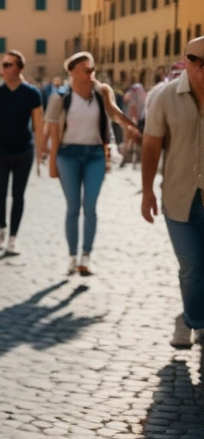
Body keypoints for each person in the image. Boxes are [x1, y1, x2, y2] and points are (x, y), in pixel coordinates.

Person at [46, 52, 140, 276]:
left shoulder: (102, 92)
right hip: (67, 155)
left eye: (92, 70)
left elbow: (114, 113)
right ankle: (71, 256)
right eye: (86, 70)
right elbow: (52, 131)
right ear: (72, 72)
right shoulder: (60, 97)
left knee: (90, 208)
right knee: (72, 208)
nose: (91, 74)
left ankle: (85, 257)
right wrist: (51, 162)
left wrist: (131, 125)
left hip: (95, 155)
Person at [141, 36, 204, 348]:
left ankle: (194, 318)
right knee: (192, 265)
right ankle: (192, 319)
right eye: (196, 61)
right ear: (186, 60)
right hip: (179, 197)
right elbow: (151, 145)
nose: (202, 68)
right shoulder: (165, 97)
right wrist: (146, 191)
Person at [0, 50, 44, 255]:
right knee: (0, 193)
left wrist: (41, 152)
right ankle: (2, 230)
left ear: (20, 68)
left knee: (18, 195)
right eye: (3, 65)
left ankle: (13, 237)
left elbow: (38, 125)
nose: (4, 68)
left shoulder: (33, 93)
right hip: (0, 149)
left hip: (24, 150)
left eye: (9, 65)